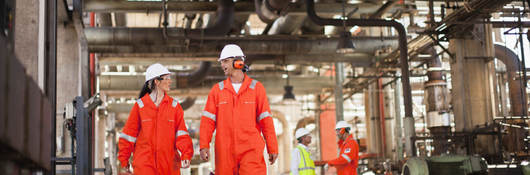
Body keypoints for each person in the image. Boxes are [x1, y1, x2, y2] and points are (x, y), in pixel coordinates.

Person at [199, 44, 279, 174]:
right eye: (221, 62)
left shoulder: (256, 88)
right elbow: (207, 121)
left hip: (250, 150)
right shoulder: (217, 90)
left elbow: (266, 121)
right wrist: (203, 145)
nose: (222, 65)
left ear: (237, 62)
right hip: (225, 151)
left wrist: (273, 147)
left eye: (225, 61)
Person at [118, 63, 194, 175]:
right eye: (166, 78)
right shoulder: (140, 106)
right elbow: (128, 135)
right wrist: (124, 160)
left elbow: (182, 134)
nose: (170, 81)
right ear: (156, 81)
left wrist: (186, 154)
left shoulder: (174, 106)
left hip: (169, 165)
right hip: (145, 165)